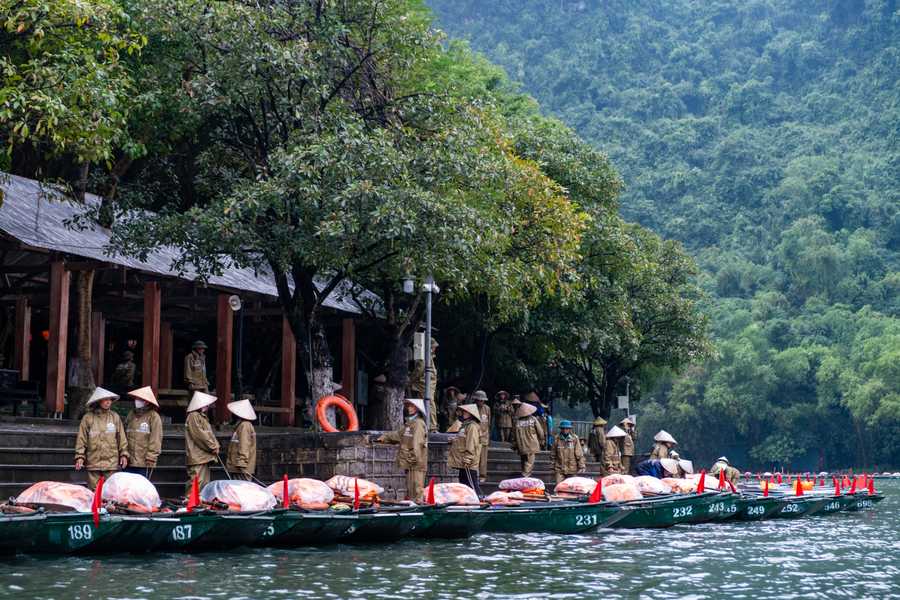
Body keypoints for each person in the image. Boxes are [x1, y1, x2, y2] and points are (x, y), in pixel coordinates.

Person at [74, 387, 129, 490]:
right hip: (93, 460)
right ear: (99, 401)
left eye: (110, 399)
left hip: (111, 461)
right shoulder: (88, 418)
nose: (108, 402)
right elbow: (82, 438)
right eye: (105, 399)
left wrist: (124, 454)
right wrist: (80, 457)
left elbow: (121, 437)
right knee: (94, 492)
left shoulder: (115, 417)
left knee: (110, 492)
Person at [376, 398, 428, 502]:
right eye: (408, 406)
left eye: (412, 406)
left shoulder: (418, 424)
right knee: (410, 489)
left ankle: (418, 508)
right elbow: (398, 435)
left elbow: (417, 443)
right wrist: (384, 437)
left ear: (417, 409)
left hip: (416, 462)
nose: (409, 408)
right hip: (410, 461)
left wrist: (413, 458)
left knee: (416, 490)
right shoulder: (410, 424)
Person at [184, 391, 220, 493]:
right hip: (197, 455)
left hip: (203, 456)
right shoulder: (193, 416)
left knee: (203, 483)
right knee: (196, 481)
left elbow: (209, 434)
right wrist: (213, 446)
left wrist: (215, 445)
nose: (207, 406)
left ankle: (199, 503)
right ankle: (190, 502)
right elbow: (200, 436)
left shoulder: (201, 417)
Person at [124, 386, 163, 479]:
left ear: (146, 401)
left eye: (139, 399)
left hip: (144, 461)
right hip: (129, 459)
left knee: (141, 488)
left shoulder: (153, 416)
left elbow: (156, 438)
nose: (136, 401)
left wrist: (151, 456)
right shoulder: (131, 414)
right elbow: (124, 434)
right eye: (136, 398)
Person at [448, 403, 483, 497]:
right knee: (464, 484)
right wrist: (454, 440)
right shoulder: (465, 425)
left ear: (470, 414)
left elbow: (472, 443)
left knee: (471, 484)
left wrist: (468, 458)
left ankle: (479, 500)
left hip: (468, 462)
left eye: (465, 411)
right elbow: (463, 439)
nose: (463, 413)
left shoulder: (472, 427)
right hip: (463, 461)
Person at [409, 338, 439, 432]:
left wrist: (409, 381)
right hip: (425, 384)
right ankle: (429, 425)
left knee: (428, 404)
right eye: (434, 347)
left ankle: (431, 426)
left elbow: (419, 370)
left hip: (425, 384)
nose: (435, 349)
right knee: (426, 404)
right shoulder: (425, 355)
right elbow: (420, 369)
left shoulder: (426, 355)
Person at [226, 398, 257, 481]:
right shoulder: (242, 425)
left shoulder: (244, 425)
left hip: (241, 467)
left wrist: (242, 462)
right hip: (238, 465)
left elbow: (244, 445)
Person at [511, 402, 544, 477]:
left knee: (523, 460)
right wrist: (542, 439)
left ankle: (525, 474)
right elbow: (540, 431)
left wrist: (514, 444)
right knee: (529, 462)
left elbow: (513, 434)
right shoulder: (533, 419)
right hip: (531, 444)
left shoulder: (517, 421)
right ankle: (525, 475)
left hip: (521, 444)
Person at [471, 390, 491, 482]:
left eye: (483, 400)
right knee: (474, 457)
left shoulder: (487, 409)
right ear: (476, 400)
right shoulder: (471, 408)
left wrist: (486, 433)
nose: (482, 402)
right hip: (473, 437)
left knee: (483, 458)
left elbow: (488, 422)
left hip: (484, 436)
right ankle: (474, 475)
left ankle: (482, 476)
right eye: (480, 400)